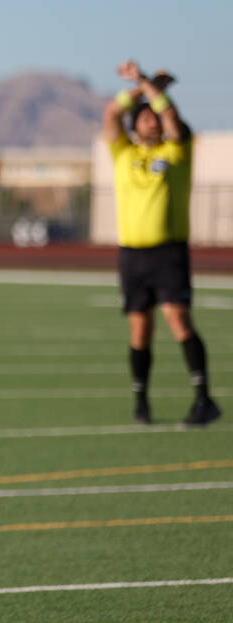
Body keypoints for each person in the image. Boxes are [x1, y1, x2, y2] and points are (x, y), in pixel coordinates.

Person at [102, 60, 220, 426]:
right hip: (132, 255)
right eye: (144, 116)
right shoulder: (124, 154)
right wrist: (141, 87)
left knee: (178, 320)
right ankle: (141, 402)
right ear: (135, 125)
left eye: (155, 116)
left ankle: (204, 400)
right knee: (140, 329)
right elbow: (110, 113)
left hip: (168, 252)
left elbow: (170, 117)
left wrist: (149, 86)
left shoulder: (176, 153)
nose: (152, 120)